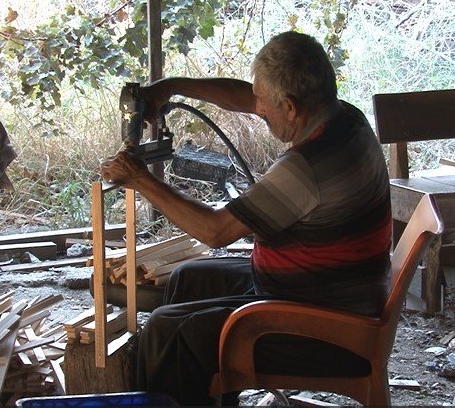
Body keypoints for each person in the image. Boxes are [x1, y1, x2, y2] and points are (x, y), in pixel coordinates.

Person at [100, 31, 392, 406]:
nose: (258, 109)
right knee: (189, 279)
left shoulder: (306, 168)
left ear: (289, 107)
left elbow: (215, 231)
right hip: (325, 291)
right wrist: (173, 86)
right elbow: (249, 99)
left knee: (164, 330)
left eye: (265, 103)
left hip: (325, 328)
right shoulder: (345, 119)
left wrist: (140, 179)